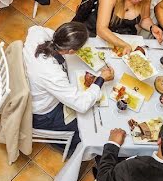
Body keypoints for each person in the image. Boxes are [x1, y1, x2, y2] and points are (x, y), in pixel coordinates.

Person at [23, 22, 112, 152]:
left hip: (32, 90)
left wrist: (62, 40)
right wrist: (101, 79)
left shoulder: (36, 35)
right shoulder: (53, 74)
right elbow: (81, 104)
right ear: (70, 51)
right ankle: (68, 149)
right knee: (87, 132)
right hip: (42, 114)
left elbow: (35, 28)